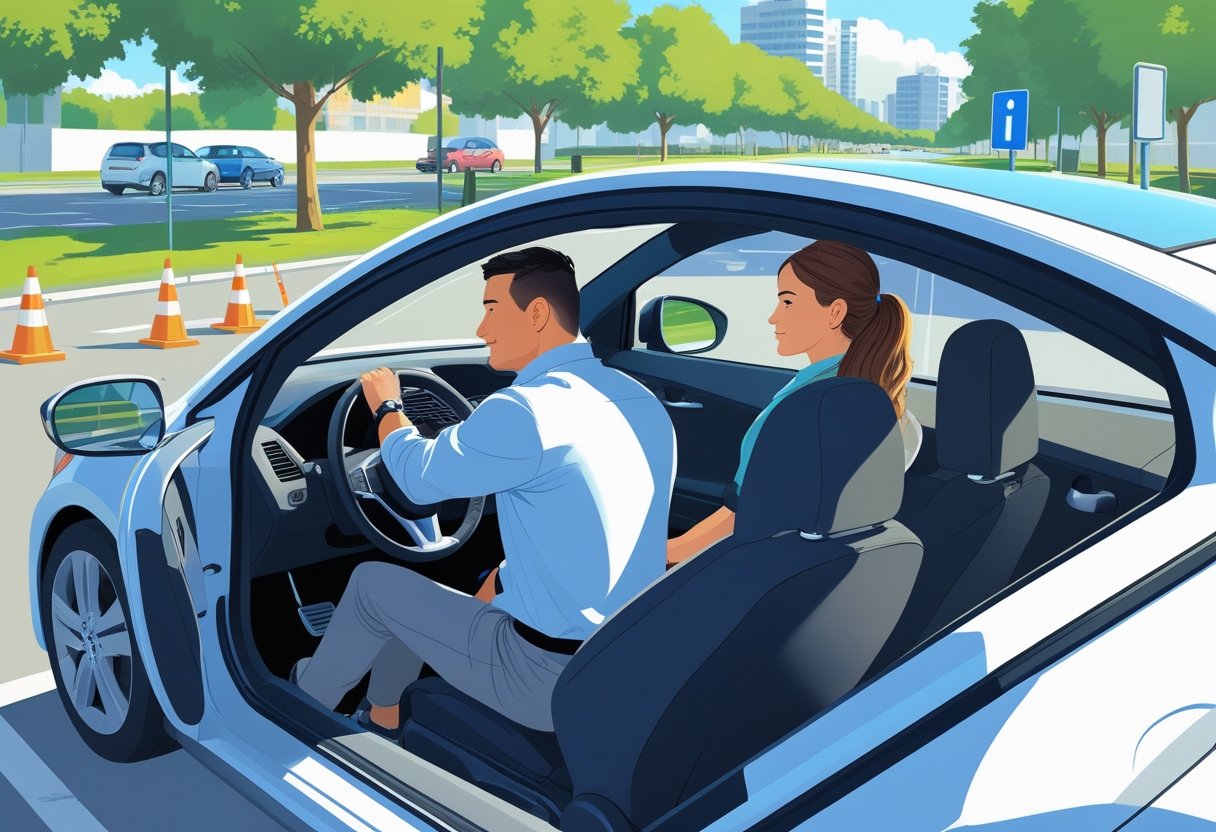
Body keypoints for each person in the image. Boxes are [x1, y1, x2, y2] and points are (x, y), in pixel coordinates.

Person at [294, 246, 676, 735]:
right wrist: (505, 578)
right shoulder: (638, 399)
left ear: (536, 313)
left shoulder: (523, 411)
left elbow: (414, 476)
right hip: (623, 656)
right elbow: (587, 522)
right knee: (460, 589)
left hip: (541, 677)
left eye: (491, 309)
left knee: (373, 586)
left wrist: (387, 406)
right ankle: (383, 714)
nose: (481, 329)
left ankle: (304, 710)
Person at [666, 239, 917, 566]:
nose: (773, 317)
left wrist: (661, 555)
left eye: (787, 302)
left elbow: (741, 519)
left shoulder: (812, 408)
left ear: (835, 312)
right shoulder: (862, 393)